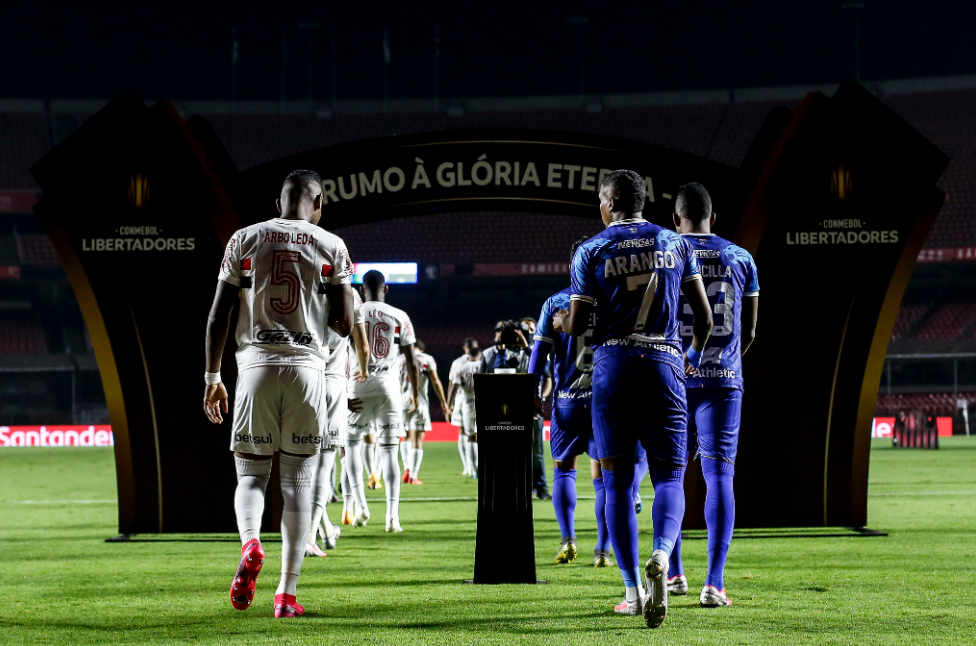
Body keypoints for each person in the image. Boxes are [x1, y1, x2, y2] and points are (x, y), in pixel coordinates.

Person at [554, 169, 712, 628]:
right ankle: (662, 555)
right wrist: (694, 358)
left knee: (618, 485)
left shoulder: (592, 249)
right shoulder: (675, 242)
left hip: (614, 367)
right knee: (669, 478)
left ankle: (631, 590)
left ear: (609, 201)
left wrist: (564, 321)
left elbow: (581, 324)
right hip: (664, 362)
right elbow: (702, 316)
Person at [203, 169, 354, 618]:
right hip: (309, 370)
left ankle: (251, 543)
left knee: (251, 478)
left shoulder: (244, 238)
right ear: (319, 202)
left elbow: (218, 316)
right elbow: (345, 323)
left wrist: (213, 378)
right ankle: (285, 596)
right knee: (298, 485)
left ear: (279, 203)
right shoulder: (332, 245)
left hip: (254, 368)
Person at [667, 182, 759, 608]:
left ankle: (674, 574)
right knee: (719, 476)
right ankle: (714, 583)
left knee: (669, 476)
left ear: (675, 218)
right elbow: (751, 331)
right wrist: (720, 363)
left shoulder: (665, 252)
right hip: (723, 379)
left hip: (672, 378)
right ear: (713, 217)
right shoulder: (741, 257)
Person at [529, 236, 613, 567]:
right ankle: (603, 551)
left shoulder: (555, 303)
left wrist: (533, 394)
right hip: (604, 403)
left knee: (563, 469)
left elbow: (538, 354)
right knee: (605, 475)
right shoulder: (612, 300)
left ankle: (567, 539)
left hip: (566, 401)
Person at [346, 269, 420, 532]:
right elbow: (411, 361)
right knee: (390, 451)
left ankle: (360, 505)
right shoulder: (400, 316)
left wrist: (342, 394)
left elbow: (335, 353)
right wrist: (413, 392)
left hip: (357, 388)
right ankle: (392, 518)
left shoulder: (352, 312)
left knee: (351, 445)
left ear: (362, 289)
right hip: (389, 390)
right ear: (385, 289)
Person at [306, 289, 370, 557]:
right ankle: (308, 538)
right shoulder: (349, 293)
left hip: (298, 378)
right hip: (331, 382)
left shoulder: (301, 281)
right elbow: (363, 346)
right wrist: (364, 370)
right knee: (323, 463)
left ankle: (325, 529)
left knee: (299, 466)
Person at [398, 340, 450, 484]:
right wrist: (443, 402)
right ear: (422, 348)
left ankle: (406, 468)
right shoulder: (427, 359)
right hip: (419, 402)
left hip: (401, 402)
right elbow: (435, 381)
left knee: (406, 437)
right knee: (418, 440)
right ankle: (413, 476)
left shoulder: (399, 359)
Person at [522, 316, 554, 501]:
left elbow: (548, 376)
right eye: (526, 329)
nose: (529, 332)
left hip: (532, 409)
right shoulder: (509, 351)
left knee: (537, 452)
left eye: (531, 329)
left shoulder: (538, 350)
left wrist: (542, 396)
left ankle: (540, 488)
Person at [447, 339, 481, 476]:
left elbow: (453, 384)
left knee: (469, 435)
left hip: (465, 401)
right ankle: (477, 466)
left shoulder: (460, 365)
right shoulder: (484, 364)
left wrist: (447, 404)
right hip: (483, 403)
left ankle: (471, 468)